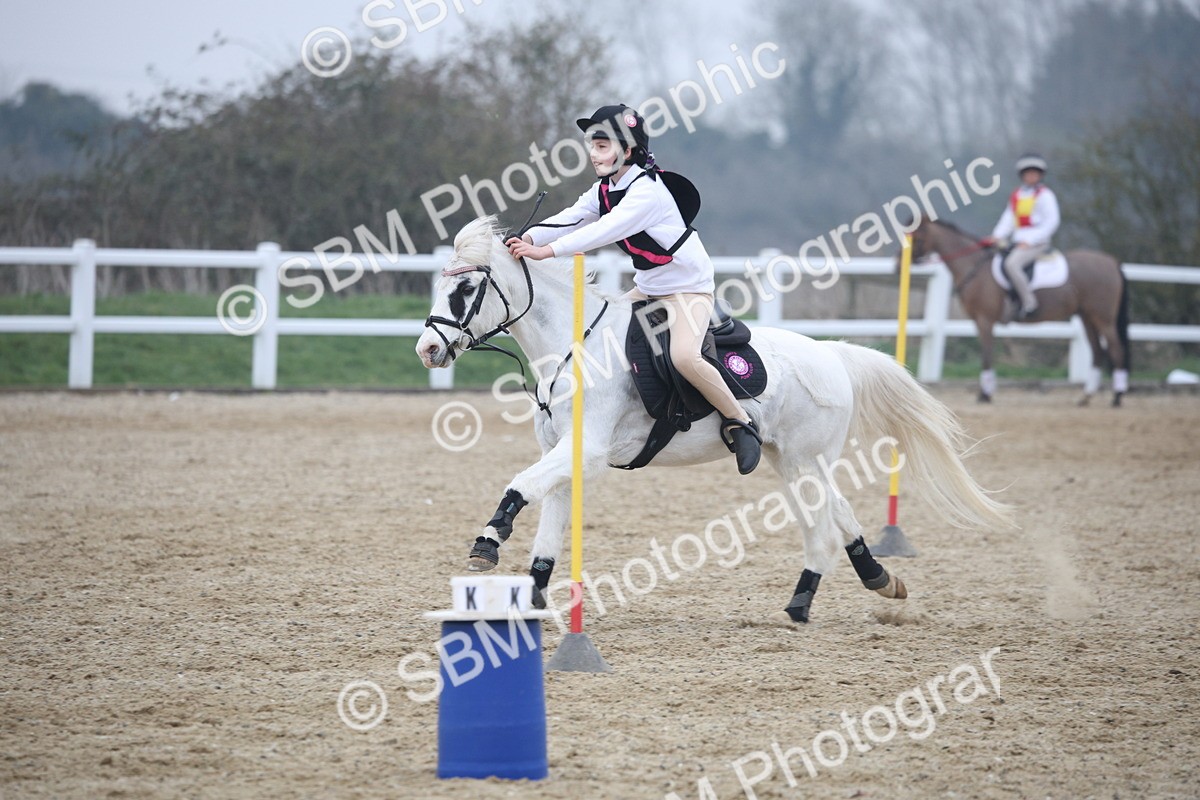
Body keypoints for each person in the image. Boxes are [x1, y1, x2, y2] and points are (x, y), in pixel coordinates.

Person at [505, 104, 762, 474]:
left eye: (603, 145)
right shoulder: (605, 189)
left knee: (685, 358)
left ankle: (741, 423)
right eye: (592, 145)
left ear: (628, 151)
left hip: (689, 290)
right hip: (647, 288)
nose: (594, 153)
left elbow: (603, 231)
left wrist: (545, 252)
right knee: (597, 339)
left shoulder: (647, 193)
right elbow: (572, 218)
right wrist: (528, 235)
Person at [983, 153, 1061, 321]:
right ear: (1022, 175)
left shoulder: (1046, 195)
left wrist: (1031, 241)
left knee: (1012, 264)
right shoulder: (1017, 195)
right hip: (1018, 242)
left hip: (1037, 243)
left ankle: (1029, 303)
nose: (1031, 176)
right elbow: (1008, 220)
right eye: (1027, 173)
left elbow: (1052, 222)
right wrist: (996, 236)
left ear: (1040, 175)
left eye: (1034, 173)